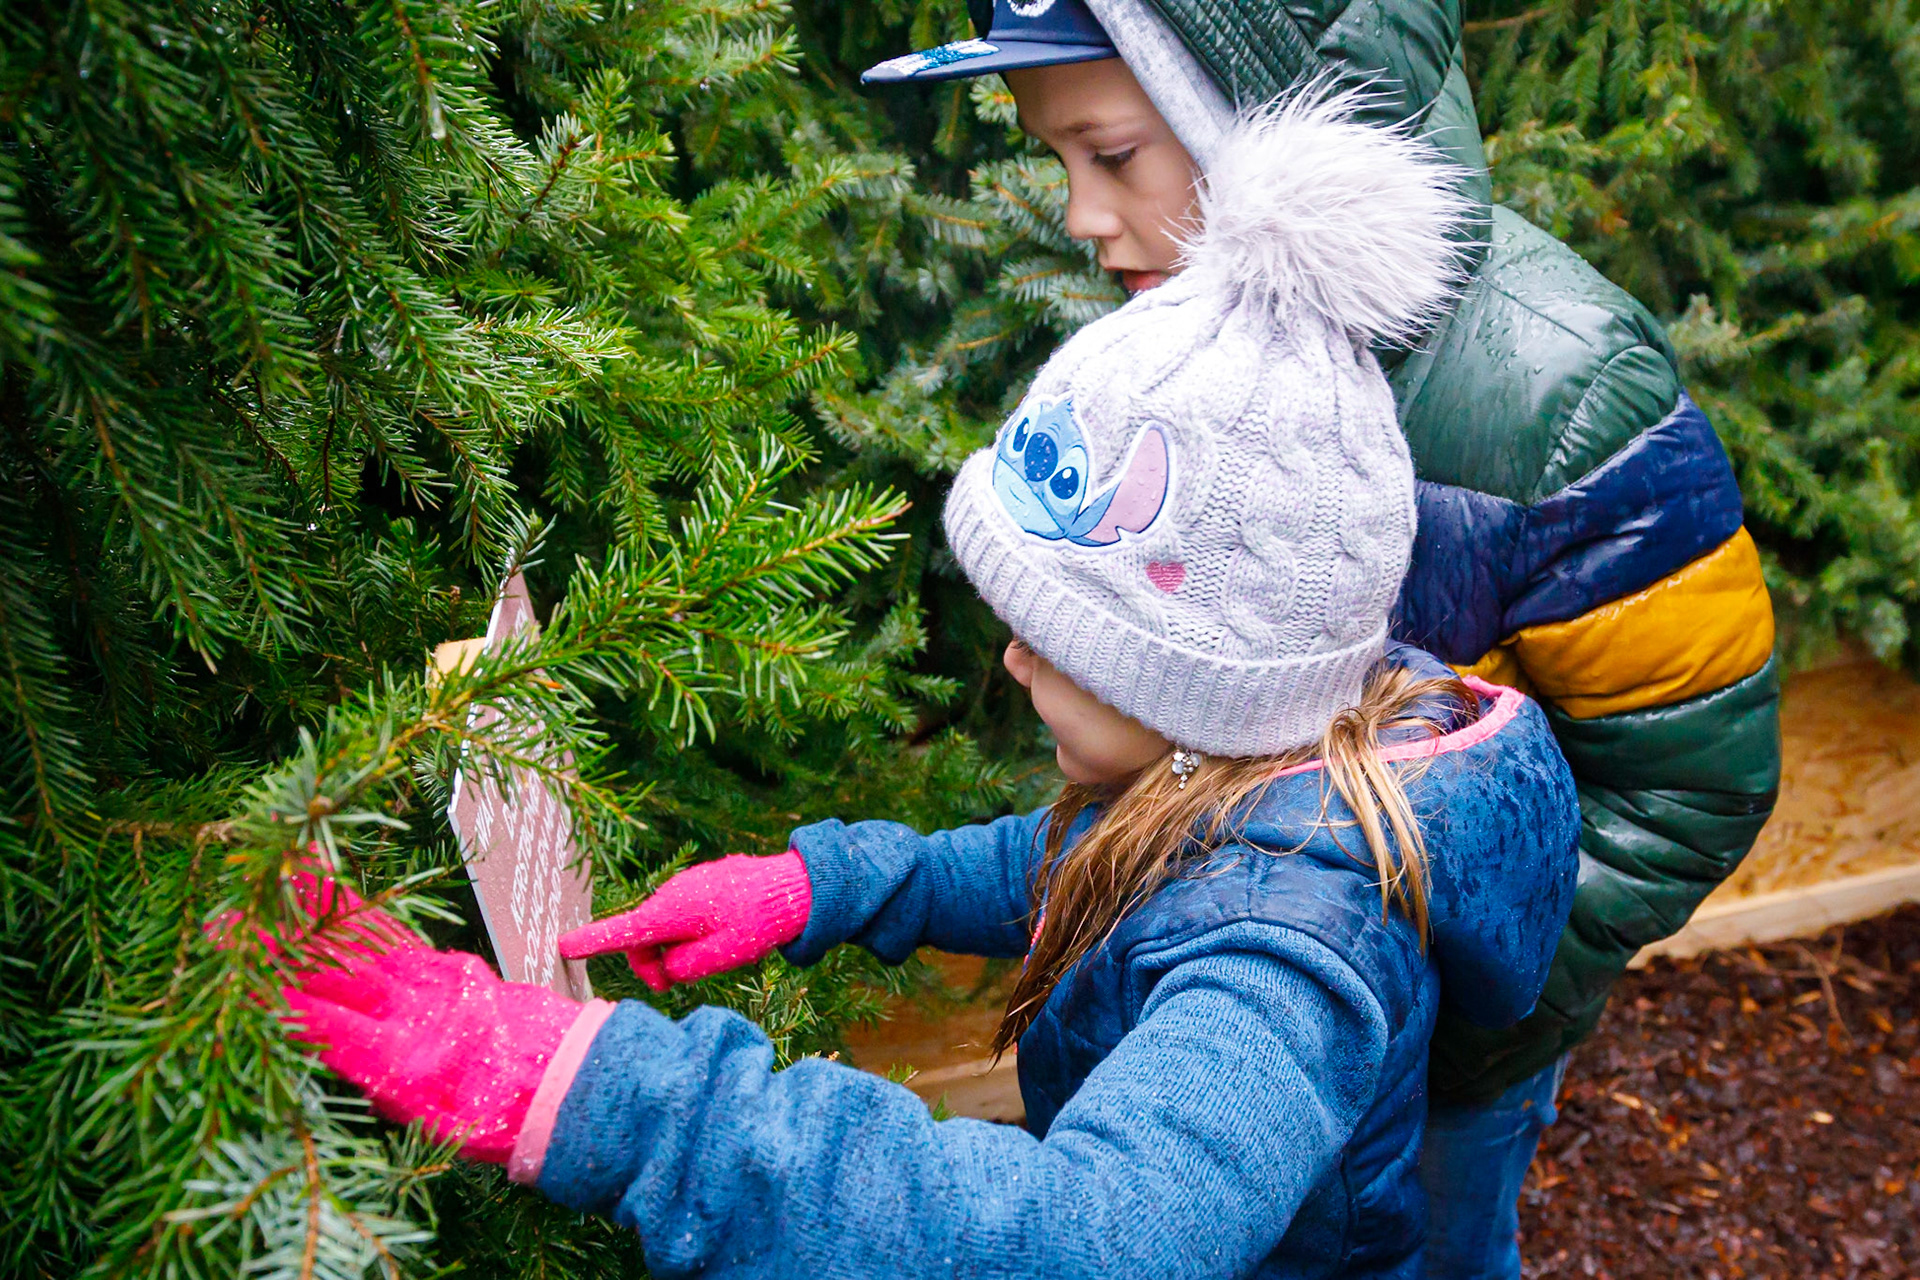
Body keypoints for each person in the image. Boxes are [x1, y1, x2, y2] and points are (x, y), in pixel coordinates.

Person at [254, 99, 1583, 1279]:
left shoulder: (1286, 960)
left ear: (1203, 685)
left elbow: (1087, 1241)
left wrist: (597, 1090)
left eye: (1062, 639)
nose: (1012, 657)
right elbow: (1088, 873)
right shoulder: (1261, 776)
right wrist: (825, 889)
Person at [861, 1, 1782, 1274]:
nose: (1079, 215)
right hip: (1229, 977)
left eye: (1113, 154)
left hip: (1436, 1056)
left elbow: (1694, 774)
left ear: (1243, 122)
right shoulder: (1178, 337)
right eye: (1055, 159)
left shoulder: (1555, 387)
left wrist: (1448, 1003)